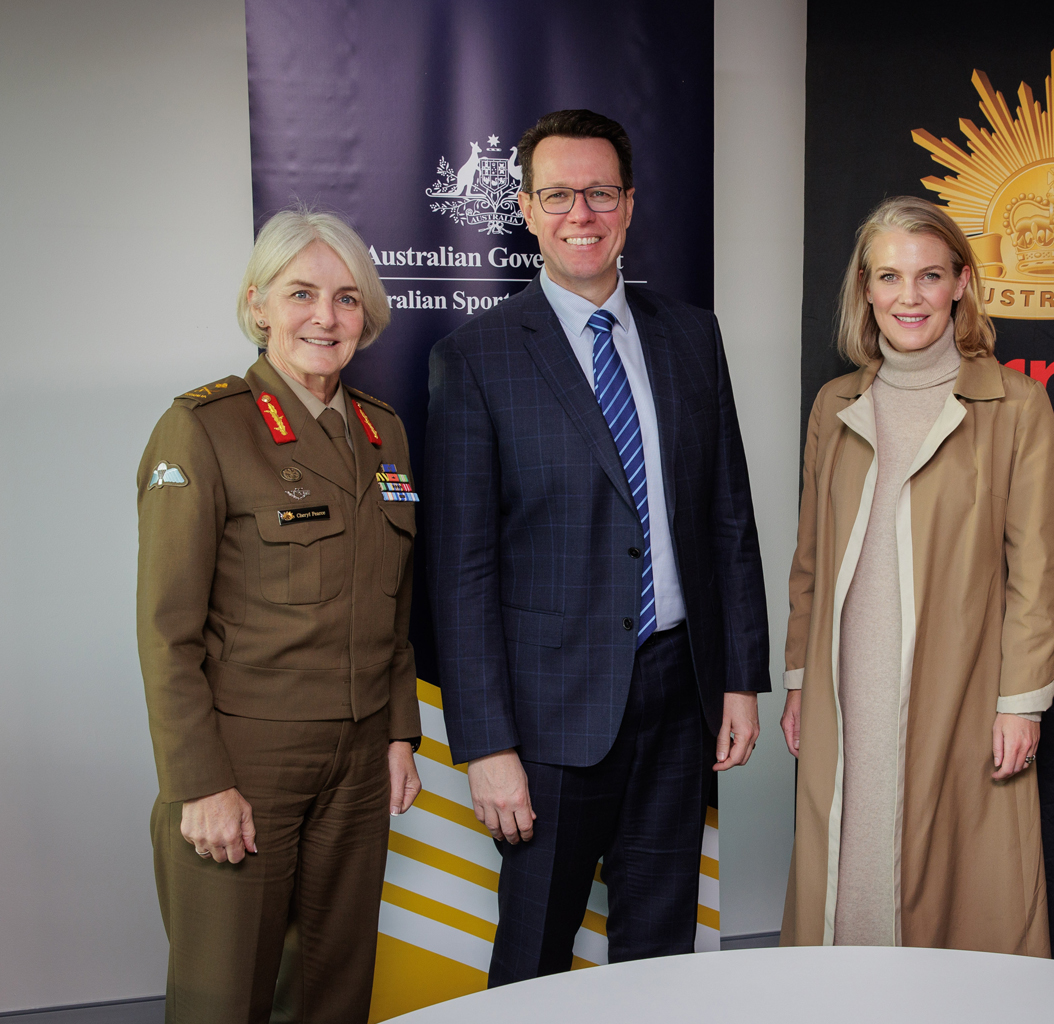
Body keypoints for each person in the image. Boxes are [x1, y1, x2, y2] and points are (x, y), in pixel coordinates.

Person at [424, 109, 770, 984]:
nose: (582, 212)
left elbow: (729, 515)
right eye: (559, 194)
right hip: (546, 720)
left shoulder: (693, 335)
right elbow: (459, 571)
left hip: (678, 693)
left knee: (658, 959)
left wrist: (737, 675)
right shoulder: (476, 357)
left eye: (601, 192)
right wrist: (486, 745)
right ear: (529, 209)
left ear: (630, 203)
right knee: (535, 955)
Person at [137, 208, 423, 1024]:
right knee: (223, 995)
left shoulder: (384, 433)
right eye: (302, 294)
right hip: (246, 759)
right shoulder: (203, 430)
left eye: (345, 298)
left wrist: (399, 732)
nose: (324, 318)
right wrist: (200, 783)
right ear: (259, 304)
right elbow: (166, 632)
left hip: (362, 755)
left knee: (336, 989)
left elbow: (393, 605)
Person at [779, 196, 1054, 952]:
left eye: (929, 276)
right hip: (846, 687)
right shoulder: (835, 404)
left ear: (961, 283)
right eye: (890, 277)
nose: (910, 297)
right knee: (849, 876)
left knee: (957, 889)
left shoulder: (1017, 405)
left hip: (959, 687)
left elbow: (1036, 571)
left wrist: (1022, 704)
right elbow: (809, 557)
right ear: (866, 289)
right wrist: (801, 678)